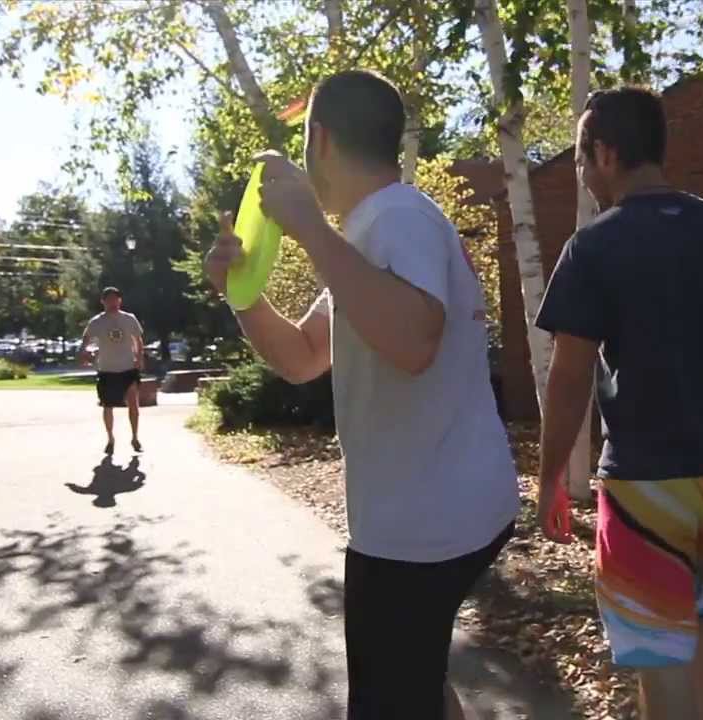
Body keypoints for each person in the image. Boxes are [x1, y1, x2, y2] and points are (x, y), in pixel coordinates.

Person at [203, 70, 519, 720]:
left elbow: (413, 341)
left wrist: (309, 228)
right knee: (417, 684)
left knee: (391, 702)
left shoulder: (395, 216)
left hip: (420, 530)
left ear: (319, 140)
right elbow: (302, 356)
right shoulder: (370, 235)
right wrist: (241, 293)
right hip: (430, 516)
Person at [533, 87, 703, 720]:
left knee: (658, 647)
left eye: (580, 159)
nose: (582, 172)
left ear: (605, 153)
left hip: (646, 484)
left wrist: (548, 478)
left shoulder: (593, 247)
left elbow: (568, 379)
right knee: (700, 617)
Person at [78, 287, 145, 456]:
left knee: (133, 403)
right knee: (107, 406)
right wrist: (84, 352)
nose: (113, 303)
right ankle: (110, 439)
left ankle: (135, 438)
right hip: (107, 369)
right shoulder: (97, 322)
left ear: (120, 300)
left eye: (115, 299)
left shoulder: (129, 319)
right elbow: (86, 339)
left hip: (128, 367)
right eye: (109, 300)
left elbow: (138, 340)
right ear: (103, 302)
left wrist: (139, 358)